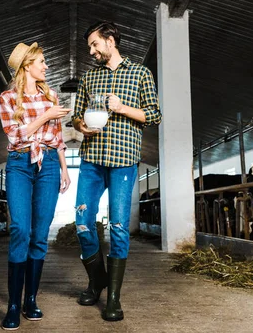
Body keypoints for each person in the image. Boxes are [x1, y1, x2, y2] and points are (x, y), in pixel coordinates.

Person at [72, 21, 161, 321]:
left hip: (124, 160)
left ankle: (113, 297)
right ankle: (97, 279)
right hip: (92, 159)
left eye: (95, 44)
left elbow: (154, 114)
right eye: (89, 47)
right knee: (82, 221)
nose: (92, 51)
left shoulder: (140, 73)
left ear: (111, 41)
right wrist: (81, 126)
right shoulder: (88, 77)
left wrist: (122, 108)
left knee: (119, 228)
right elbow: (76, 116)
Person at [0, 42, 72, 330]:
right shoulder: (7, 99)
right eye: (41, 61)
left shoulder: (51, 95)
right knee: (20, 229)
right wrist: (44, 116)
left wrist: (65, 169)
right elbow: (15, 136)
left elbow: (57, 138)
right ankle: (13, 305)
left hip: (50, 164)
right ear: (27, 65)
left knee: (40, 234)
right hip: (19, 162)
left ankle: (30, 300)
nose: (46, 66)